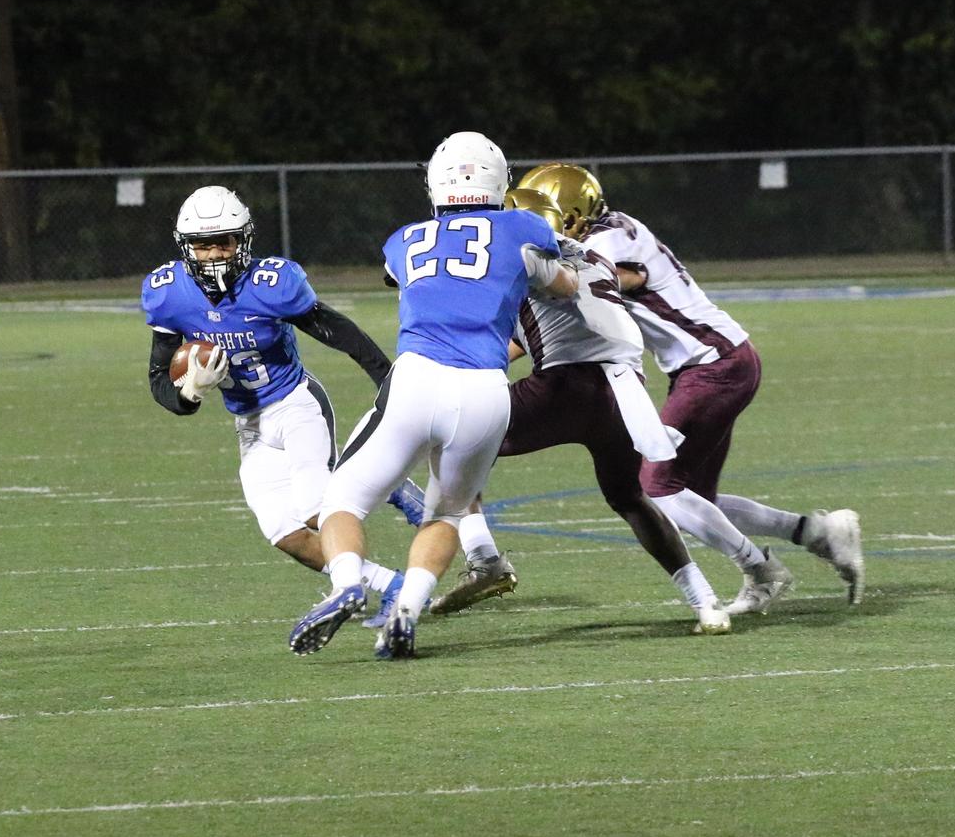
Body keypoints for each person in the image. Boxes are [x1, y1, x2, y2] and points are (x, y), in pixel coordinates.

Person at [516, 162, 864, 613]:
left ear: (576, 213)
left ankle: (761, 569)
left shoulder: (604, 241)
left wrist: (546, 275)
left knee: (656, 484)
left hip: (712, 363)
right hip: (713, 361)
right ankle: (815, 532)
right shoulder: (611, 229)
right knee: (693, 495)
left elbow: (620, 280)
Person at [287, 131, 579, 660]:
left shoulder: (405, 239)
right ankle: (407, 612)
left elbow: (405, 275)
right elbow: (564, 285)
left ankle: (347, 583)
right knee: (446, 515)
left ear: (435, 183)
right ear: (500, 182)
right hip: (487, 391)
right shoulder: (523, 227)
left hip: (419, 379)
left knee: (341, 502)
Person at [429, 187, 731, 635]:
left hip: (564, 388)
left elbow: (495, 317)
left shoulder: (522, 260)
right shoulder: (593, 255)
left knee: (449, 442)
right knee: (630, 498)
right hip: (624, 394)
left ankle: (485, 560)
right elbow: (551, 324)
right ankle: (706, 602)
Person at [142, 186, 427, 633]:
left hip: (295, 403)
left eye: (225, 242)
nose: (214, 254)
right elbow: (160, 379)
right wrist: (189, 395)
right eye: (203, 244)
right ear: (185, 247)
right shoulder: (169, 295)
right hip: (249, 423)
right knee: (285, 533)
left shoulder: (269, 284)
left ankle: (390, 484)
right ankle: (391, 584)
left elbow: (339, 332)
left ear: (244, 241)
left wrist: (389, 379)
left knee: (318, 509)